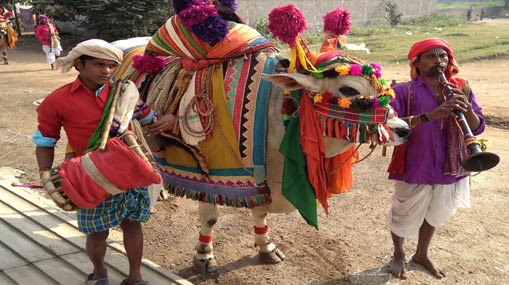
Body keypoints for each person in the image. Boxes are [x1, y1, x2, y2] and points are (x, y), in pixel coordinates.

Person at [33, 39, 174, 285]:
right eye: (99, 64)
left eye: (111, 66)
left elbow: (150, 117)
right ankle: (100, 275)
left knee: (132, 225)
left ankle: (135, 277)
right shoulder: (57, 101)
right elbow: (45, 140)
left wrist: (169, 119)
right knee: (97, 231)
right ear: (80, 64)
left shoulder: (125, 92)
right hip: (90, 176)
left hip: (130, 171)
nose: (107, 71)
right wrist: (45, 172)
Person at [386, 38, 485, 279]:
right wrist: (431, 116)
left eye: (442, 56)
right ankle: (398, 254)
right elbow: (390, 125)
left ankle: (421, 253)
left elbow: (478, 127)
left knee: (436, 212)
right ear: (417, 63)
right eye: (430, 56)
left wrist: (466, 109)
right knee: (403, 212)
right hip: (415, 163)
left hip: (450, 167)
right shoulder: (403, 91)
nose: (438, 61)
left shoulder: (462, 86)